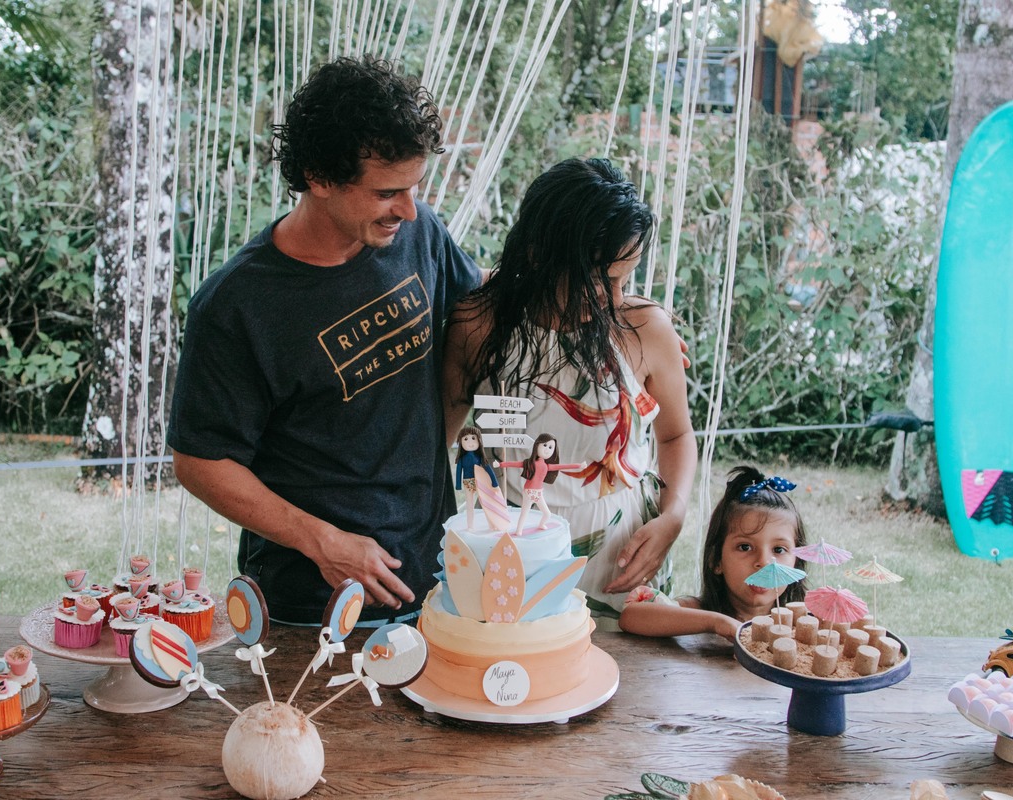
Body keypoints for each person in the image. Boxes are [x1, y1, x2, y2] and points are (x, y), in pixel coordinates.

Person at [168, 56, 482, 625]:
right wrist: (323, 542)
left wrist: (610, 310)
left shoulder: (420, 236)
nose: (409, 210)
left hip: (436, 579)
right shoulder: (235, 306)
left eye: (414, 188)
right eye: (387, 192)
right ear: (318, 177)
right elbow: (200, 462)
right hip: (310, 604)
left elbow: (481, 309)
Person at [442, 158, 696, 615]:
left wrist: (673, 516)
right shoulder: (479, 326)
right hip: (511, 556)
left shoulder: (644, 329)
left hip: (621, 563)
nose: (614, 299)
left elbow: (676, 435)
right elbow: (440, 441)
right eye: (600, 280)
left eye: (625, 279)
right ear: (540, 255)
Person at [619, 466, 807, 641]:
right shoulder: (698, 612)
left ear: (796, 561)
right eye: (745, 547)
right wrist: (715, 623)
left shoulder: (803, 622)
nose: (764, 561)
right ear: (716, 560)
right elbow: (631, 616)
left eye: (779, 550)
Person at [493, 433, 585, 535]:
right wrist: (500, 464)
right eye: (545, 445)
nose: (547, 449)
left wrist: (579, 466)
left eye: (550, 447)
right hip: (529, 491)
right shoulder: (530, 463)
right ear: (537, 445)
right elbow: (515, 464)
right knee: (525, 512)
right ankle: (519, 530)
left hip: (538, 493)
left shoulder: (547, 466)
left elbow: (563, 466)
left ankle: (541, 524)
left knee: (547, 514)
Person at [453, 425, 498, 531]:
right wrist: (458, 485)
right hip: (467, 482)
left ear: (479, 441)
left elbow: (488, 469)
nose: (470, 442)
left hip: (479, 482)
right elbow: (458, 472)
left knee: (485, 504)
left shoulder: (479, 457)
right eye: (465, 439)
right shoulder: (462, 459)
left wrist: (494, 482)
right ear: (460, 442)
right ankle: (470, 526)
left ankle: (491, 524)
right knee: (470, 505)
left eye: (473, 438)